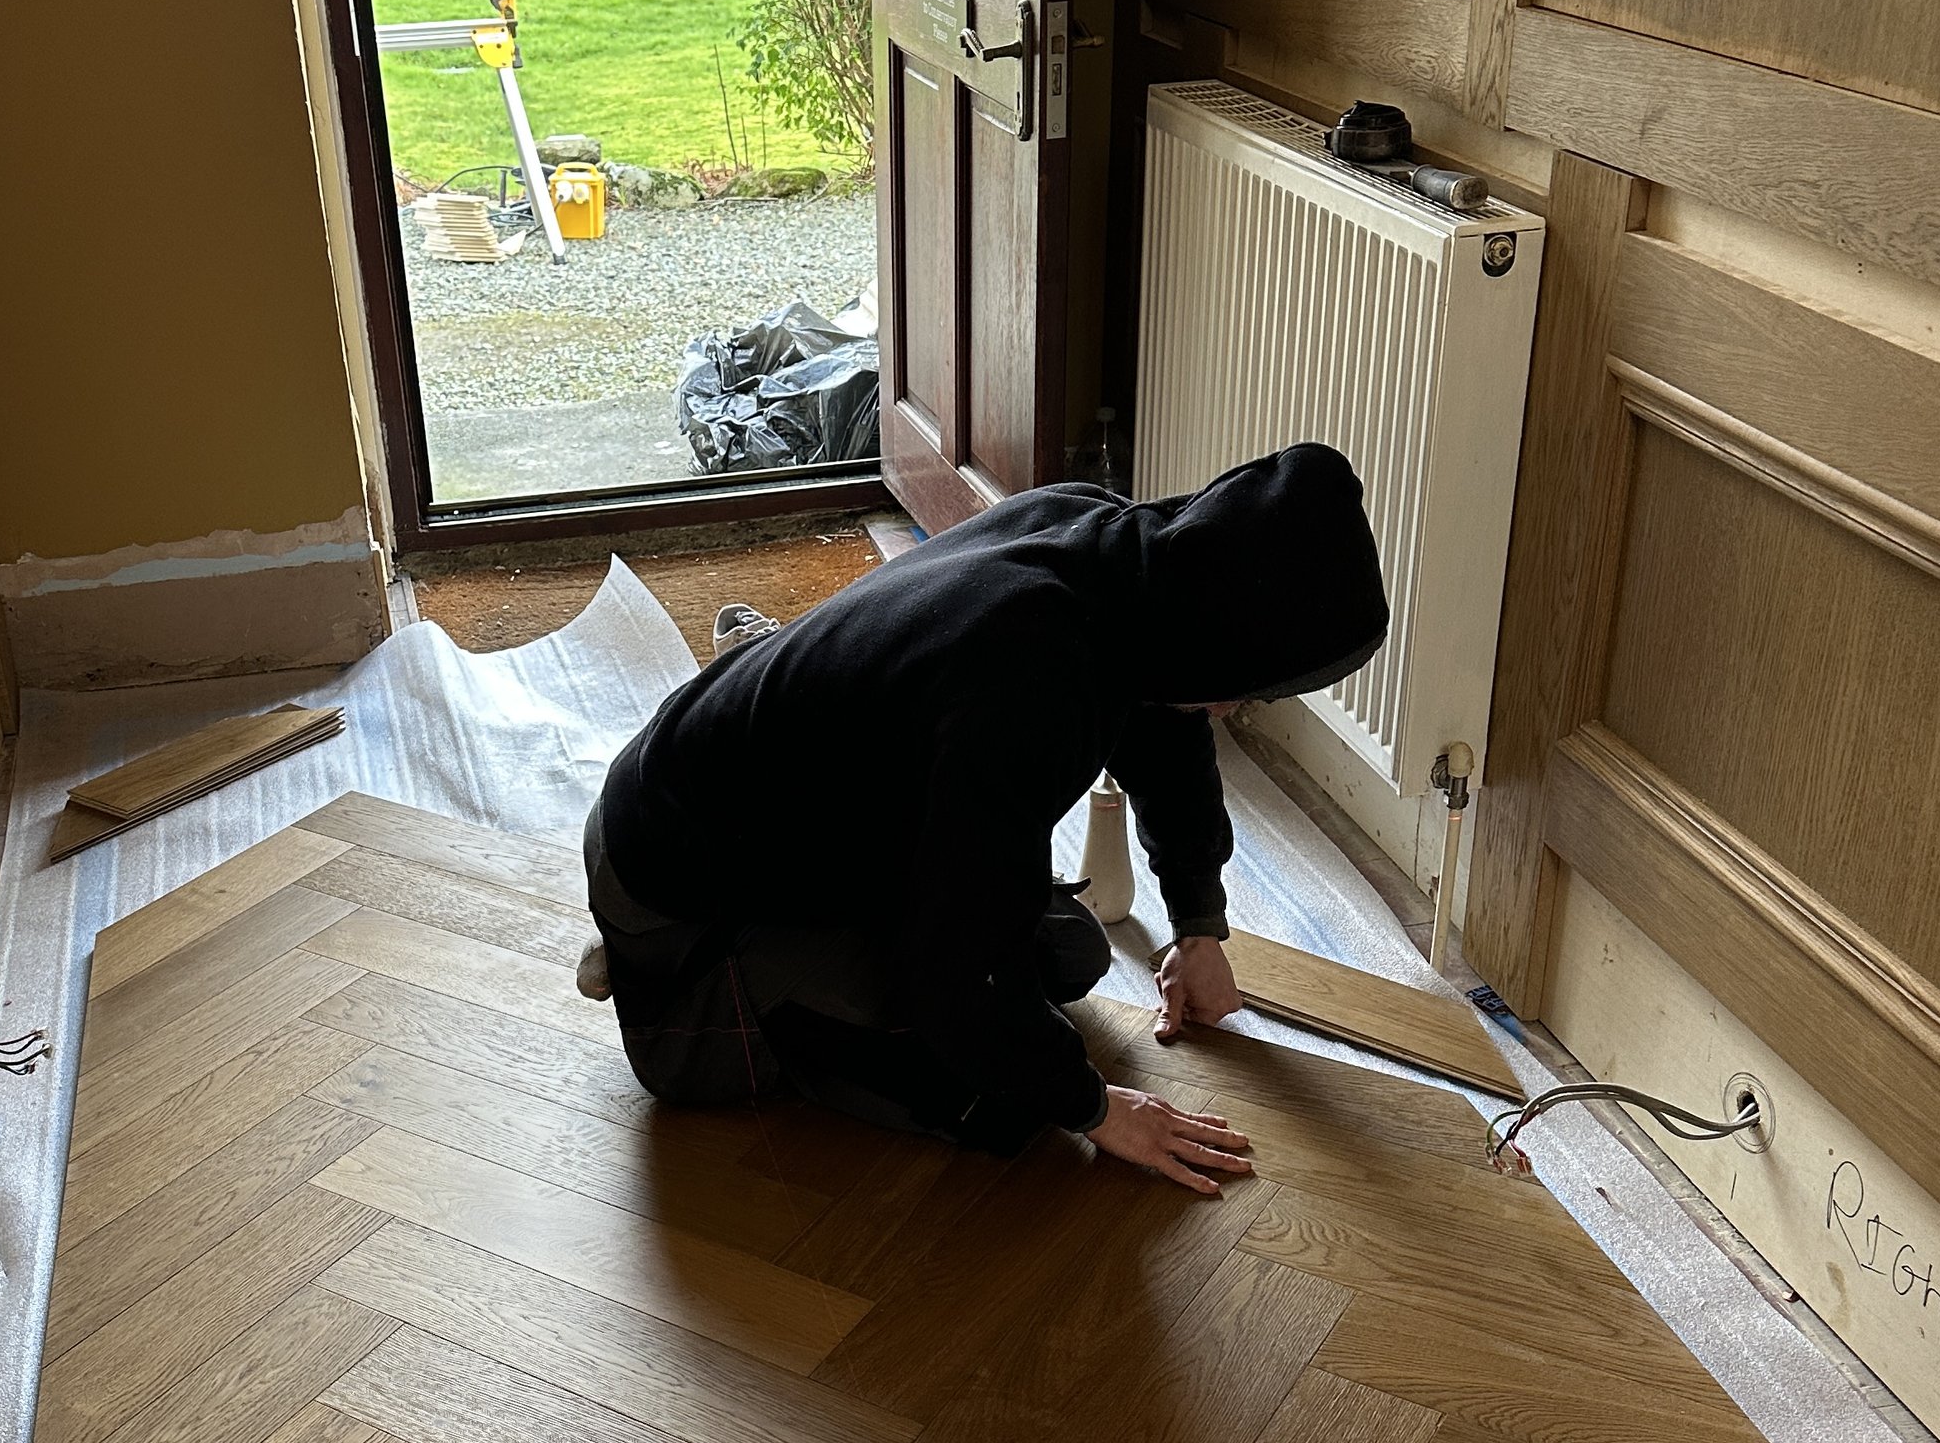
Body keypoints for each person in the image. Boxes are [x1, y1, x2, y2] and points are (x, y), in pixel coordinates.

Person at [582, 442, 1389, 1192]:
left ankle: (739, 952)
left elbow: (1168, 732)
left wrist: (1198, 925)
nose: (1237, 708)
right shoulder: (1028, 689)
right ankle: (657, 977)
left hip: (748, 802)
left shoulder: (1113, 547)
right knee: (999, 1090)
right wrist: (1097, 1110)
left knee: (1066, 954)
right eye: (1246, 690)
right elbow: (960, 980)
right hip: (673, 890)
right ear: (1215, 647)